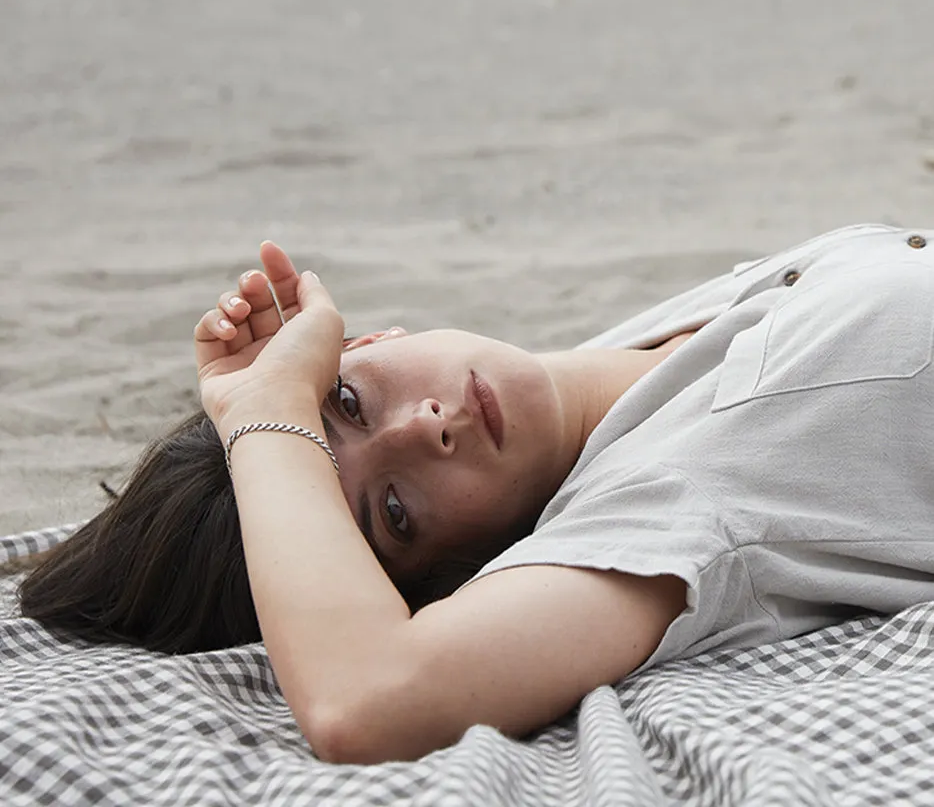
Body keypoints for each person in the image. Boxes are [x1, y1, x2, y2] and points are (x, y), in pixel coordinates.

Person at [18, 223, 934, 764]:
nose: (425, 430)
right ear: (468, 577)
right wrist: (266, 409)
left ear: (365, 338)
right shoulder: (667, 502)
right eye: (397, 512)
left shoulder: (628, 366)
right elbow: (363, 698)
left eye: (346, 398)